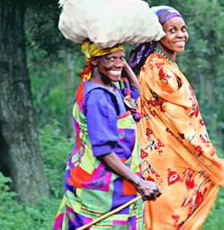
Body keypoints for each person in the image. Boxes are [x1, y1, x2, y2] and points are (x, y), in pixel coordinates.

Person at [129, 6, 224, 229]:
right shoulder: (159, 69)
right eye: (172, 30)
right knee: (166, 217)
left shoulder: (164, 64)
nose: (181, 35)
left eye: (183, 29)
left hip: (162, 152)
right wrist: (206, 154)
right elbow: (178, 118)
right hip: (167, 155)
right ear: (158, 35)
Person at [53, 41, 161, 230]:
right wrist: (140, 183)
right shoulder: (98, 97)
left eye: (121, 58)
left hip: (117, 186)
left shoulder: (111, 88)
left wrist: (119, 62)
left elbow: (136, 91)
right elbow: (103, 151)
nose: (117, 64)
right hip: (101, 190)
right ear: (94, 61)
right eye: (110, 58)